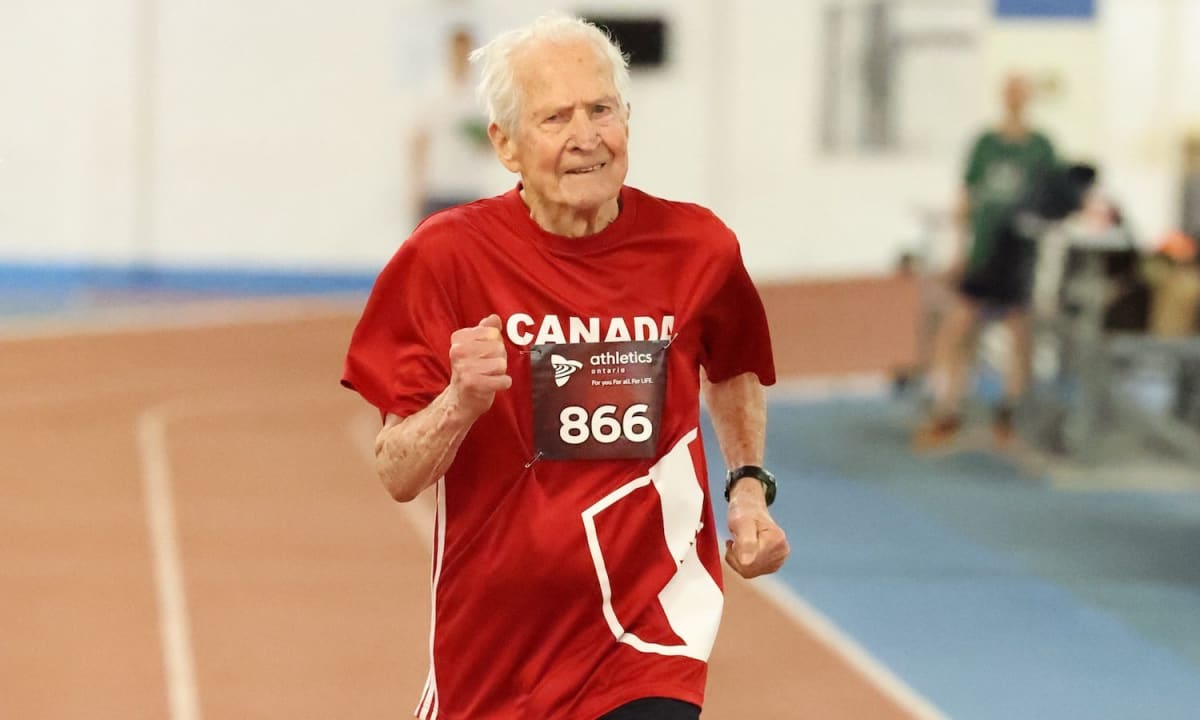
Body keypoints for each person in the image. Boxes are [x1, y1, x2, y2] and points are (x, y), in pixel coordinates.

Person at [342, 14, 789, 720]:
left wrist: (748, 490)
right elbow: (397, 473)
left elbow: (733, 368)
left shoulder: (698, 249)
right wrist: (458, 402)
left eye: (601, 110)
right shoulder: (445, 259)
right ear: (506, 144)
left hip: (650, 636)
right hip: (494, 652)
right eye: (555, 118)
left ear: (627, 120)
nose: (587, 137)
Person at [914, 73, 1058, 450]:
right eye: (1010, 91)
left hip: (1020, 259)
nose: (1015, 98)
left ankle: (1009, 412)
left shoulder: (1041, 148)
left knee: (1020, 333)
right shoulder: (985, 144)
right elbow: (966, 198)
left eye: (1021, 91)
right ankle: (947, 407)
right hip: (984, 254)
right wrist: (959, 251)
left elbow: (1055, 199)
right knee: (959, 327)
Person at [409, 25, 495, 220]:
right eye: (457, 51)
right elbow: (419, 141)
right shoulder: (433, 92)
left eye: (465, 51)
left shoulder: (481, 95)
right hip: (438, 188)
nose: (460, 56)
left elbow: (492, 145)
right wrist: (416, 188)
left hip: (470, 187)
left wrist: (483, 141)